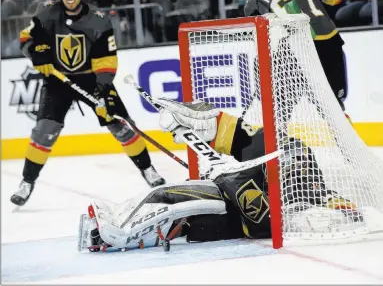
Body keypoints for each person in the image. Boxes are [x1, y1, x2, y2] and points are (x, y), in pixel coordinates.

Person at [78, 99, 361, 252]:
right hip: (251, 186)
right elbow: (255, 144)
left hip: (244, 207)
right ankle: (122, 219)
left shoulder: (304, 205)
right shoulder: (287, 155)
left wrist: (228, 176)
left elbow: (261, 223)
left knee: (197, 216)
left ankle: (127, 232)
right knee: (263, 144)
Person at [11, 0, 165, 207]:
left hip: (92, 79)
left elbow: (107, 60)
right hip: (57, 81)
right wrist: (36, 55)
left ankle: (147, 168)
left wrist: (102, 92)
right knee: (44, 131)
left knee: (121, 125)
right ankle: (27, 182)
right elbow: (26, 38)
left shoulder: (98, 20)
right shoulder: (47, 12)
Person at [243, 0, 352, 123]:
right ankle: (348, 141)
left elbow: (255, 21)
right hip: (330, 42)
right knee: (334, 108)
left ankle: (279, 138)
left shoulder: (257, 1)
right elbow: (335, 0)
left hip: (298, 45)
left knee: (281, 107)